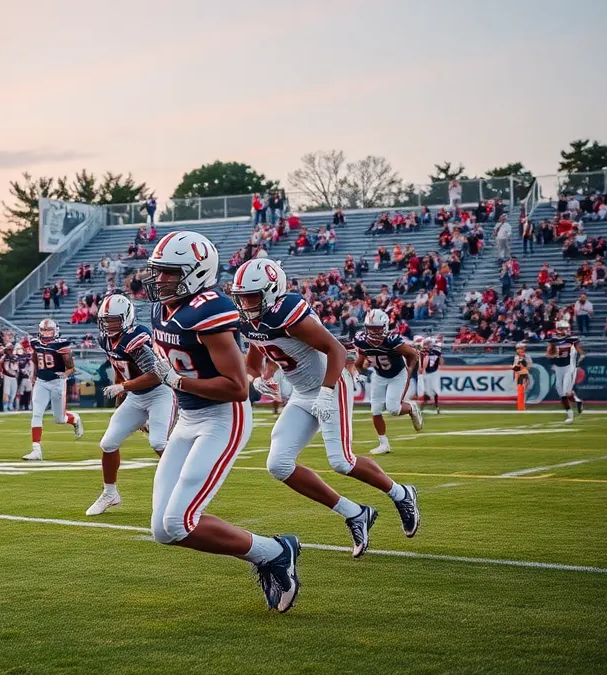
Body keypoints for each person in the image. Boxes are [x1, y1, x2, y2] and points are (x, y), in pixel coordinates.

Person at [138, 230, 301, 613]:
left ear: (195, 272)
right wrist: (170, 401)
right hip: (189, 416)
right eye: (157, 271)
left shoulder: (211, 310)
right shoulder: (162, 307)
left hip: (221, 419)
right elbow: (175, 369)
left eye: (168, 272)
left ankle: (275, 553)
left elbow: (236, 387)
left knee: (179, 522)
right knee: (162, 531)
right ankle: (274, 551)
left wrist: (177, 381)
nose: (159, 279)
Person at [233, 259, 419, 558]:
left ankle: (401, 494)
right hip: (303, 392)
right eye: (241, 295)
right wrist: (257, 380)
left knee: (341, 461)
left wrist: (326, 392)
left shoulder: (289, 312)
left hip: (331, 386)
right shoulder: (248, 320)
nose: (244, 302)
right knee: (278, 465)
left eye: (251, 295)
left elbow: (337, 349)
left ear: (271, 291)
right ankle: (355, 513)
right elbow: (254, 358)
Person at [85, 294, 173, 516]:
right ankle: (110, 493)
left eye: (113, 320)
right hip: (135, 396)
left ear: (126, 318)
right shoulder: (106, 339)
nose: (109, 325)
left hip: (159, 394)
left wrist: (124, 387)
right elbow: (119, 368)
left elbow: (156, 375)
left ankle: (182, 489)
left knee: (158, 441)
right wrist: (121, 400)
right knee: (108, 442)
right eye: (105, 320)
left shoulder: (137, 338)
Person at [354, 309, 423, 454]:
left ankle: (411, 407)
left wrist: (410, 370)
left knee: (393, 409)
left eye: (377, 329)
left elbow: (413, 355)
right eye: (370, 329)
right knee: (376, 410)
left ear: (385, 327)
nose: (373, 333)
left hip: (398, 375)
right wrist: (363, 374)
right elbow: (359, 363)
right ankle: (384, 444)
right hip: (379, 375)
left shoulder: (392, 340)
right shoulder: (362, 341)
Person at [22, 318, 84, 461]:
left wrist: (64, 376)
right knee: (36, 414)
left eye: (49, 330)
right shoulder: (35, 343)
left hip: (57, 382)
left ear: (55, 331)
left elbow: (70, 367)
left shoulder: (61, 345)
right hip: (41, 382)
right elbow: (35, 358)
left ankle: (75, 419)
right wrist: (33, 373)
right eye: (43, 330)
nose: (46, 333)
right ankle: (36, 450)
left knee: (60, 419)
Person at [546, 320, 584, 424]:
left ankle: (570, 415)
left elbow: (580, 352)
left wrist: (580, 357)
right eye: (563, 329)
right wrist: (553, 349)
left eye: (565, 329)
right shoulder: (553, 340)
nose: (565, 331)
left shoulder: (571, 340)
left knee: (567, 392)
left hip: (569, 368)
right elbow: (548, 354)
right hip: (559, 368)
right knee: (561, 393)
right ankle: (575, 404)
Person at [419, 336, 443, 415]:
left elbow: (426, 360)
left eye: (427, 344)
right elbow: (441, 362)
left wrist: (423, 370)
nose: (426, 345)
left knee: (429, 388)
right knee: (430, 389)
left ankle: (429, 404)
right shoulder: (435, 351)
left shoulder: (428, 352)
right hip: (433, 372)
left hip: (430, 372)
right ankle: (435, 405)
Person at [513, 343, 531, 410]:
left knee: (524, 390)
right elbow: (514, 367)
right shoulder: (516, 357)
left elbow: (529, 366)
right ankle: (520, 405)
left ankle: (523, 405)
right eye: (519, 348)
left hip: (524, 374)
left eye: (522, 348)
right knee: (519, 390)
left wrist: (523, 366)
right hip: (519, 374)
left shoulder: (527, 357)